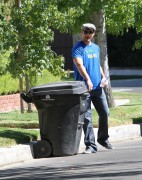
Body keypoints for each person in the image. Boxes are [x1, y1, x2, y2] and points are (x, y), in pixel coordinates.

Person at [72, 23, 113, 154]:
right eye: (86, 32)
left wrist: (103, 78)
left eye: (90, 32)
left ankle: (103, 138)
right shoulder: (78, 48)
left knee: (105, 113)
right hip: (84, 88)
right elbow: (79, 64)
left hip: (98, 88)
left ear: (94, 34)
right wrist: (88, 79)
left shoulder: (95, 48)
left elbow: (98, 64)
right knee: (87, 117)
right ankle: (90, 145)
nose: (88, 34)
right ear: (82, 32)